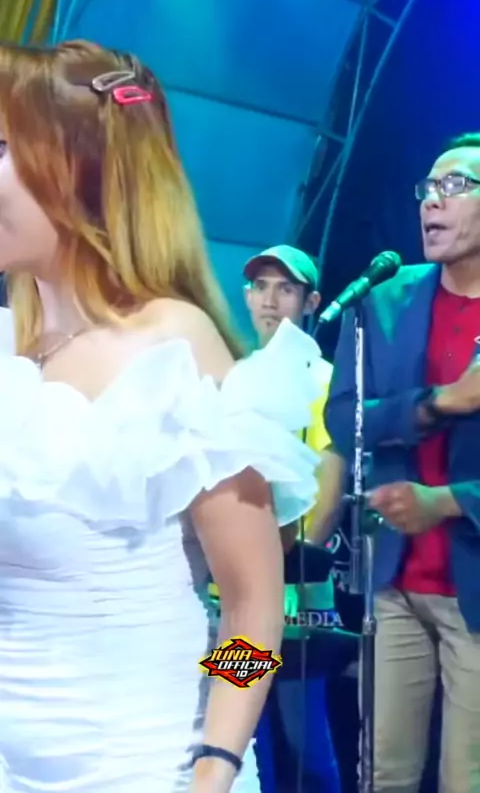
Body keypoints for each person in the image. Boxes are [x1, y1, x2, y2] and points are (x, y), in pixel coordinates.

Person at [0, 40, 323, 793]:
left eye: (2, 149)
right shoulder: (13, 355)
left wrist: (217, 763)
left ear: (75, 169)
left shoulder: (175, 348)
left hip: (146, 771)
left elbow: (252, 608)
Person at [325, 133, 480, 793]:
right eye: (427, 188)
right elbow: (343, 420)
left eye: (455, 186)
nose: (431, 202)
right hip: (393, 584)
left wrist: (444, 501)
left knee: (464, 778)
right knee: (382, 773)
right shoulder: (383, 300)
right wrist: (440, 403)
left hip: (472, 590)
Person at [242, 244, 342, 793]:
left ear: (311, 301)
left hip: (299, 594)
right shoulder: (236, 377)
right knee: (242, 725)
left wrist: (291, 565)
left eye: (285, 288)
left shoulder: (324, 381)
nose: (270, 300)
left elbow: (330, 483)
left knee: (304, 735)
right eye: (260, 287)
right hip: (235, 599)